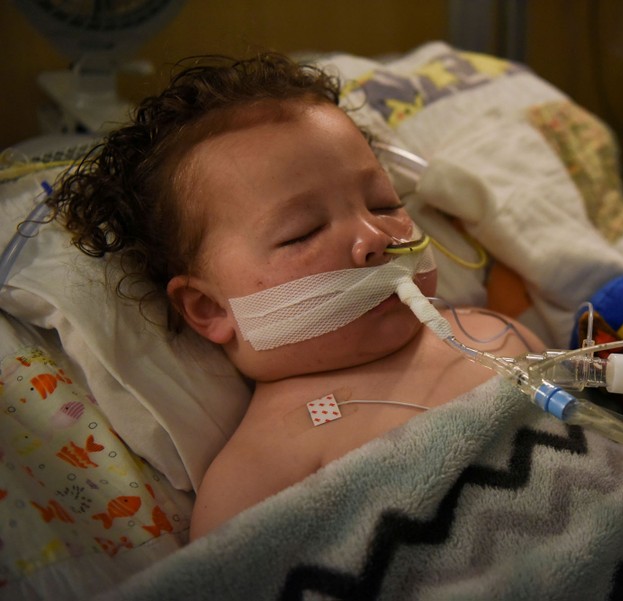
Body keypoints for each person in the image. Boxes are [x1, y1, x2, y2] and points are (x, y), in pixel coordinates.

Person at [50, 53, 544, 540]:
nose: (376, 237)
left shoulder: (491, 330)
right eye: (302, 232)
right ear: (211, 309)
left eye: (384, 203)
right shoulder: (260, 473)